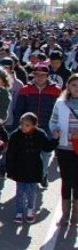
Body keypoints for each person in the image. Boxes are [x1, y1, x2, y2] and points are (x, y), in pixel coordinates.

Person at [14, 63, 61, 188]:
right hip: (30, 127)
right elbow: (19, 109)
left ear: (47, 76)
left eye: (43, 75)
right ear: (33, 75)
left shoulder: (56, 90)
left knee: (46, 153)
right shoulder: (25, 89)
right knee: (30, 153)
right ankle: (31, 176)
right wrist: (20, 125)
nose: (39, 77)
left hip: (48, 126)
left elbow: (59, 110)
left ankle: (43, 174)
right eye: (37, 75)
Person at [7, 113, 57, 224]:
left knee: (31, 191)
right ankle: (19, 212)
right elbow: (10, 153)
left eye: (27, 125)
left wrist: (55, 139)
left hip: (34, 168)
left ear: (34, 125)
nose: (24, 127)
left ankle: (30, 210)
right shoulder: (16, 135)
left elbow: (47, 147)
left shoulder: (40, 134)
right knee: (20, 191)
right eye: (22, 124)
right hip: (19, 168)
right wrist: (9, 169)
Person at [49, 73, 78, 227]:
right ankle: (65, 215)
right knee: (66, 180)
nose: (76, 88)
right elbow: (53, 121)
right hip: (64, 147)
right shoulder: (60, 103)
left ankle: (75, 216)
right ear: (68, 86)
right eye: (73, 85)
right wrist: (55, 131)